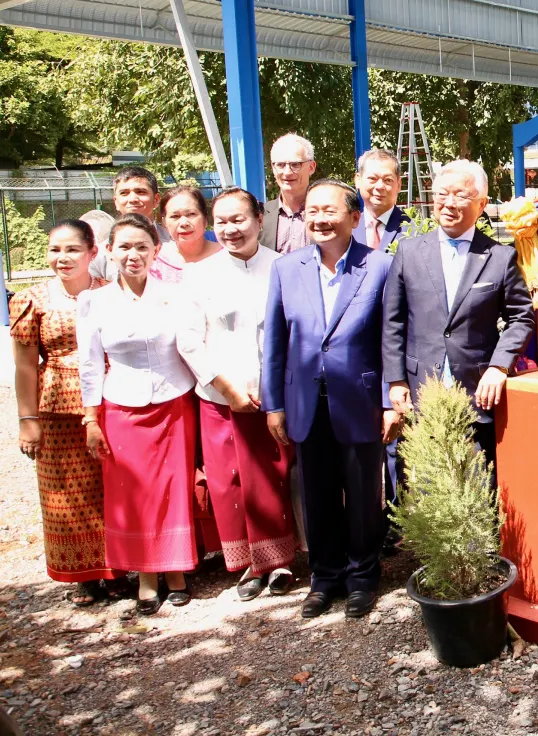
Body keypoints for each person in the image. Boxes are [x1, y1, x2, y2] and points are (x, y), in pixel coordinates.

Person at [261, 180, 399, 619]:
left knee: (363, 495)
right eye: (312, 211)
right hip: (305, 401)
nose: (319, 218)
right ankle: (325, 578)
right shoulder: (287, 268)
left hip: (359, 399)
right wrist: (274, 404)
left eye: (329, 210)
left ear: (354, 218)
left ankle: (362, 577)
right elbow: (275, 342)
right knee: (317, 495)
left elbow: (389, 339)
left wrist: (389, 400)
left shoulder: (378, 267)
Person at [77, 214, 199, 616]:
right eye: (125, 246)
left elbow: (191, 347)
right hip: (122, 407)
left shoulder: (175, 293)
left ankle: (176, 569)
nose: (134, 254)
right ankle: (147, 574)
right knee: (134, 491)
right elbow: (91, 364)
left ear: (156, 251)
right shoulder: (93, 301)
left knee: (172, 487)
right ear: (109, 251)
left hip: (173, 402)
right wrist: (91, 418)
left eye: (142, 246)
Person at [177, 188, 296, 601]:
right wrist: (226, 387)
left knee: (272, 479)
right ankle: (247, 563)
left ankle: (279, 562)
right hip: (220, 397)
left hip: (271, 397)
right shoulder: (199, 275)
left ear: (259, 220)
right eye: (222, 221)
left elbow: (294, 333)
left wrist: (271, 390)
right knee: (229, 482)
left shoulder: (285, 268)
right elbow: (189, 340)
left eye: (239, 219)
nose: (230, 229)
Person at [383, 159, 535, 478]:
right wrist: (395, 381)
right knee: (424, 496)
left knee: (475, 492)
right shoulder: (409, 252)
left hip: (476, 398)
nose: (449, 203)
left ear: (481, 204)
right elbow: (392, 323)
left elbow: (521, 318)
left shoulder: (499, 257)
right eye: (442, 194)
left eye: (460, 196)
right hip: (420, 394)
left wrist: (499, 366)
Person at [11, 220, 122, 605]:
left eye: (72, 249)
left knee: (113, 489)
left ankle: (121, 567)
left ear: (93, 252)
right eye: (55, 250)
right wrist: (28, 421)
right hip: (57, 406)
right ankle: (85, 576)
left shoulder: (114, 293)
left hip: (111, 401)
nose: (63, 258)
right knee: (68, 496)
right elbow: (25, 365)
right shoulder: (33, 300)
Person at [90, 166, 169, 281]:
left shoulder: (175, 244)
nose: (132, 199)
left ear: (156, 200)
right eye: (124, 193)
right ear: (116, 202)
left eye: (141, 192)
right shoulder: (99, 255)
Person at [152, 185, 221, 283]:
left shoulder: (228, 257)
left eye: (191, 214)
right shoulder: (155, 260)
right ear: (164, 222)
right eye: (175, 216)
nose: (184, 223)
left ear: (205, 218)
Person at [262, 134, 316, 254]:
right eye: (280, 165)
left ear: (311, 167)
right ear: (272, 167)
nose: (287, 172)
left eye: (295, 164)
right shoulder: (260, 215)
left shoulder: (328, 213)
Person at [353, 148, 411, 252]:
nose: (380, 186)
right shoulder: (346, 229)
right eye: (372, 179)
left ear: (399, 184)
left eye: (388, 180)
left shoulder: (414, 231)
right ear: (358, 180)